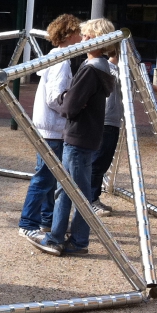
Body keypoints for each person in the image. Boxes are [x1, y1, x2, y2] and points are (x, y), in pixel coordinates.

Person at [28, 18, 116, 257]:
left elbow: (69, 107)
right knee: (78, 190)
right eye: (83, 36)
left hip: (77, 136)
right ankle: (73, 238)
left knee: (68, 190)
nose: (83, 40)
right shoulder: (102, 68)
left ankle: (60, 238)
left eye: (87, 37)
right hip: (87, 135)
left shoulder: (89, 69)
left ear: (99, 41)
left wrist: (67, 99)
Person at [17, 14, 83, 239]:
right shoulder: (62, 62)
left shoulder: (55, 59)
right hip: (53, 128)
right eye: (79, 32)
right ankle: (28, 222)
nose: (82, 37)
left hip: (48, 127)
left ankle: (46, 219)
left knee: (49, 175)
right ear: (70, 35)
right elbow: (55, 98)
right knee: (45, 176)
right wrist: (72, 109)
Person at [88, 50, 123, 216]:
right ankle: (90, 199)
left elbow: (139, 84)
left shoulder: (121, 69)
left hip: (114, 120)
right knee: (98, 161)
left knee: (104, 161)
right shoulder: (105, 67)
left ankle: (94, 197)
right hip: (105, 119)